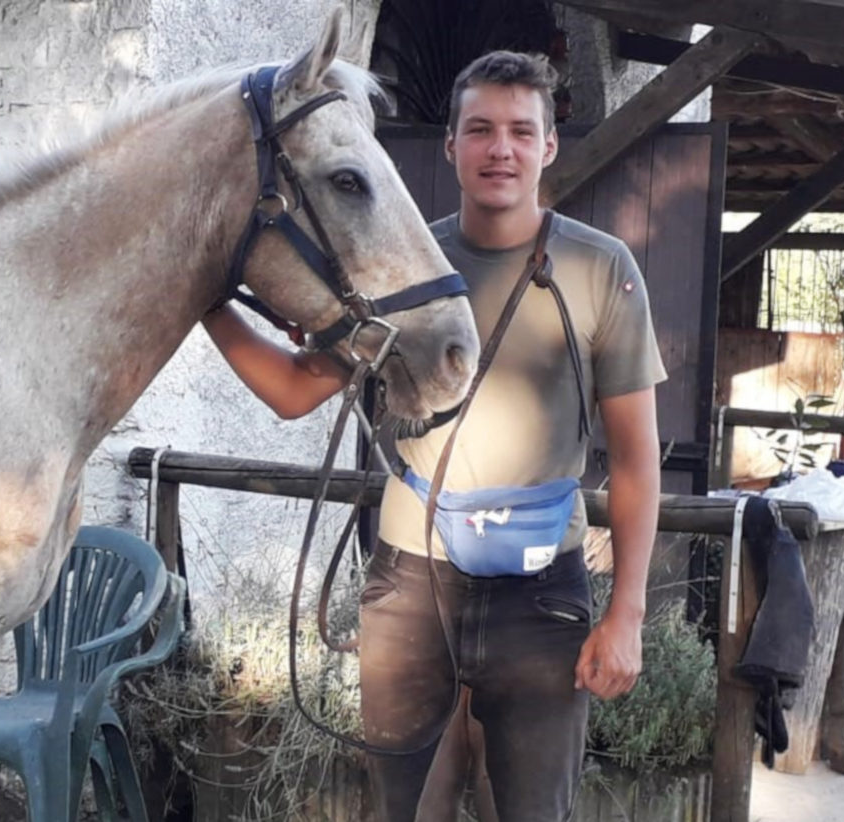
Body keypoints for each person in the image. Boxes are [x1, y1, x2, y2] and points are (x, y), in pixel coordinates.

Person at [203, 50, 664, 821]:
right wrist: (209, 298)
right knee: (399, 810)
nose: (501, 149)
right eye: (480, 129)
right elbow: (291, 389)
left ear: (549, 146)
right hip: (411, 583)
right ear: (450, 144)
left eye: (522, 131)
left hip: (542, 594)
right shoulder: (399, 259)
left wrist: (627, 616)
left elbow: (638, 464)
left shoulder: (599, 267)